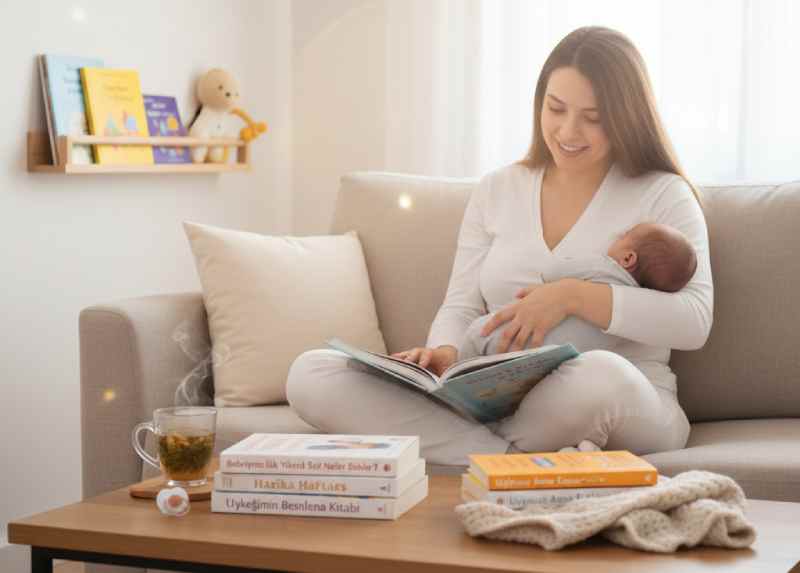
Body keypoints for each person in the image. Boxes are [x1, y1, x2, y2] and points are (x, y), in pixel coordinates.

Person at [286, 26, 713, 466]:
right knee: (311, 373)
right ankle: (506, 460)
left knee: (599, 375)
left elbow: (694, 321)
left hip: (615, 394)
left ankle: (459, 451)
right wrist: (444, 355)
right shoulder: (498, 189)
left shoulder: (662, 193)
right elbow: (461, 305)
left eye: (593, 117)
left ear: (626, 116)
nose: (568, 130)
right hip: (494, 400)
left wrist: (571, 295)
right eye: (556, 108)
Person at [459, 221, 698, 359]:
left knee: (474, 335)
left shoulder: (602, 266)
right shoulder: (627, 319)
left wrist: (559, 283)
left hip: (513, 338)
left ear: (628, 258)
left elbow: (552, 270)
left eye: (624, 236)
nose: (615, 238)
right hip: (553, 360)